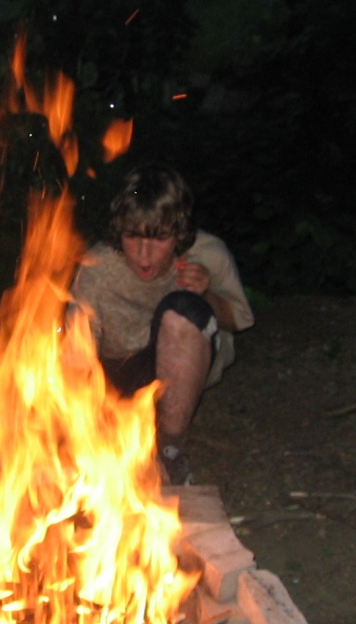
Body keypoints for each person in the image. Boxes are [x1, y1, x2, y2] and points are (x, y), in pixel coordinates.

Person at [70, 164, 254, 484]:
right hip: (122, 372)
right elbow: (78, 354)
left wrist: (207, 294)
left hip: (185, 367)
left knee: (182, 310)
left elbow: (240, 320)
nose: (144, 254)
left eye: (159, 238)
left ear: (178, 233)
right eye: (133, 236)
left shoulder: (207, 254)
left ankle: (170, 448)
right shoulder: (98, 269)